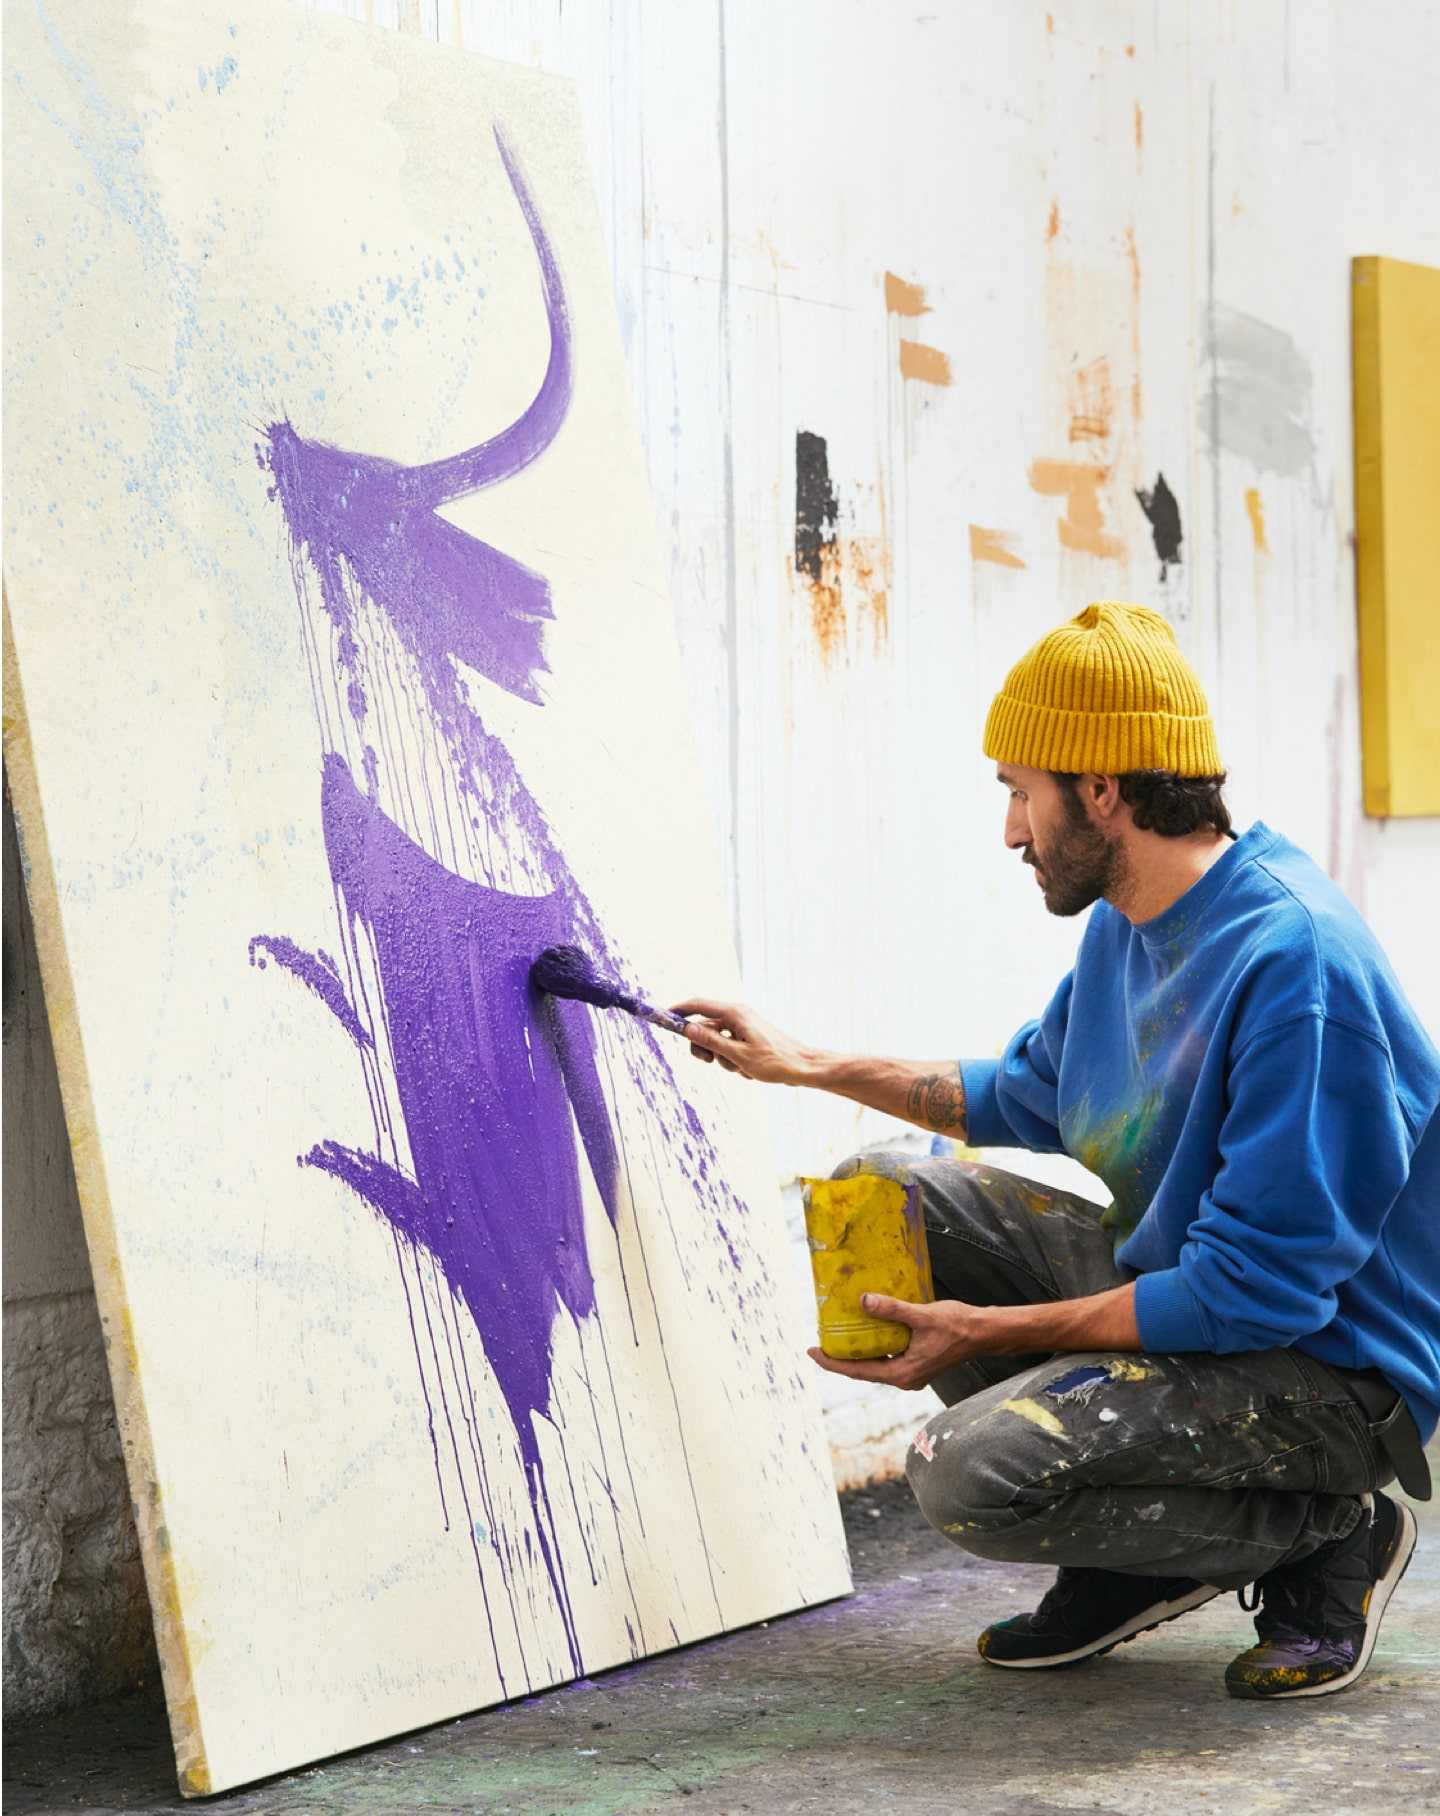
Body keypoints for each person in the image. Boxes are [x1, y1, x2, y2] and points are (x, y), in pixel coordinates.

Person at [675, 601, 1438, 1701]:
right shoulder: (1130, 922)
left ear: (1100, 789)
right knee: (886, 1198)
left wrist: (986, 1332)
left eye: (1019, 792)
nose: (1011, 831)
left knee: (967, 1474)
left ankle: (1330, 1535)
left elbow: (1255, 1291)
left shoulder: (1293, 964)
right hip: (1196, 1299)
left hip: (1328, 1374)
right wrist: (805, 1063)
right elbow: (1026, 1093)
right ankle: (1136, 1553)